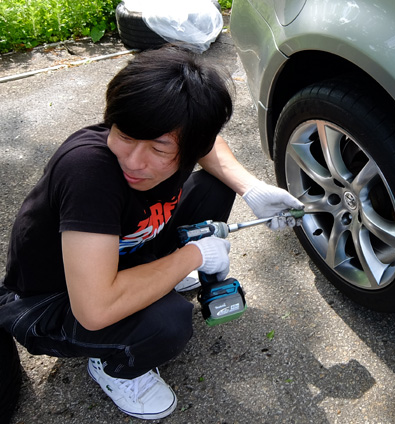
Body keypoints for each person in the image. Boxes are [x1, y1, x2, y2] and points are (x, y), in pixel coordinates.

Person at [0, 45, 303, 420]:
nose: (133, 161)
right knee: (166, 323)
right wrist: (193, 256)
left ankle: (158, 276)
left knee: (216, 186)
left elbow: (211, 146)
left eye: (159, 148)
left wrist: (252, 189)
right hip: (53, 300)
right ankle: (115, 367)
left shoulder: (185, 138)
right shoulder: (88, 172)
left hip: (125, 254)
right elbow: (94, 310)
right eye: (125, 135)